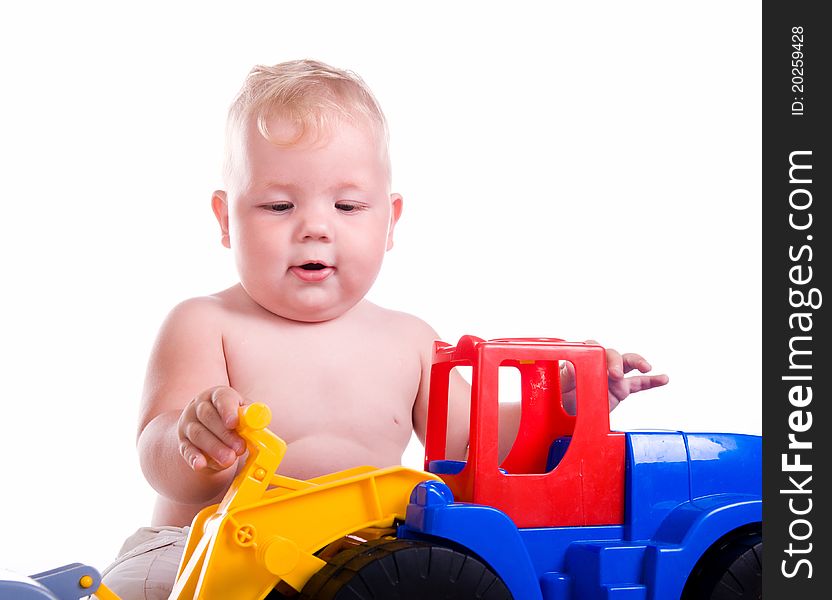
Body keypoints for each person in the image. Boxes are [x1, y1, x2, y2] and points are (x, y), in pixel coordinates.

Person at [101, 59, 668, 599]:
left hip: (353, 563)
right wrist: (191, 440)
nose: (315, 227)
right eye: (278, 206)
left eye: (348, 206)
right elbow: (158, 459)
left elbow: (482, 446)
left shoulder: (411, 343)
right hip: (198, 551)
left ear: (390, 221)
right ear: (227, 219)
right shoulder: (207, 323)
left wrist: (568, 407)